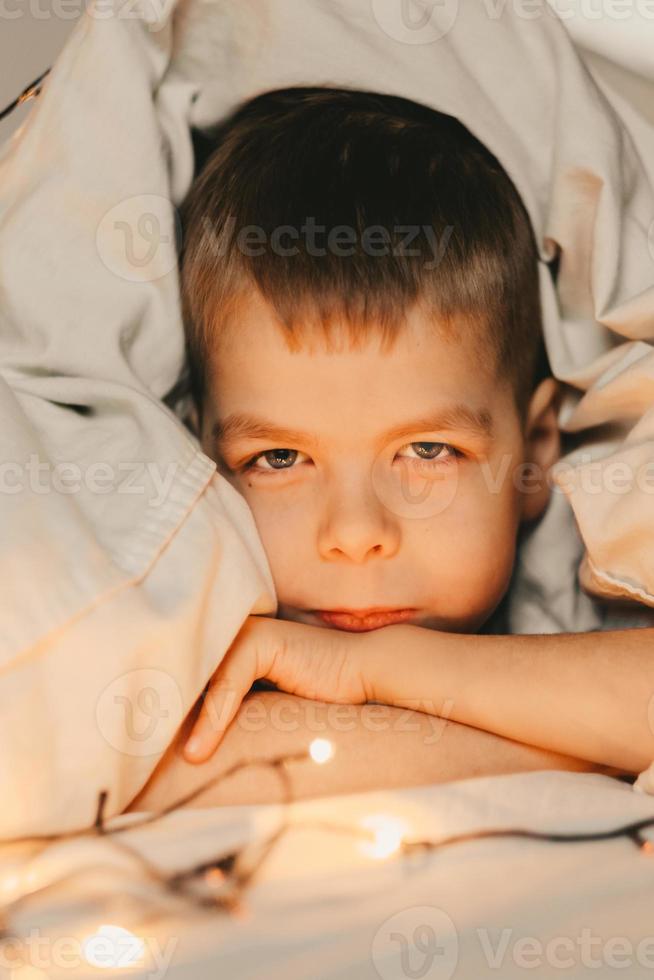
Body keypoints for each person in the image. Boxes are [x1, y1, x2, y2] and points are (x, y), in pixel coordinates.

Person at [125, 86, 646, 814]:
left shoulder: (584, 604)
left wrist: (377, 667)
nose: (356, 535)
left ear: (532, 453)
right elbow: (149, 771)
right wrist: (585, 746)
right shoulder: (175, 651)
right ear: (200, 456)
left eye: (426, 450)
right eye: (279, 459)